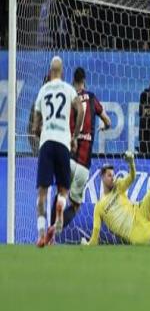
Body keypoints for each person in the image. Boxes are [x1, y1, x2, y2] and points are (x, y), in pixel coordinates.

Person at [43, 67, 111, 245]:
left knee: (61, 193)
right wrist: (104, 127)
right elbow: (108, 121)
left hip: (69, 157)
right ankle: (54, 230)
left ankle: (50, 233)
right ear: (85, 81)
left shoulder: (69, 98)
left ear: (73, 81)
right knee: (75, 205)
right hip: (84, 164)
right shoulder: (92, 98)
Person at [31, 56, 84, 247]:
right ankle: (61, 203)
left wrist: (41, 133)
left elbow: (35, 127)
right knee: (64, 189)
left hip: (46, 143)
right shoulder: (68, 89)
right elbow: (80, 111)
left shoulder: (42, 91)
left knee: (42, 193)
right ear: (61, 72)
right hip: (63, 143)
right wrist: (74, 136)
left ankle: (41, 234)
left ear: (49, 72)